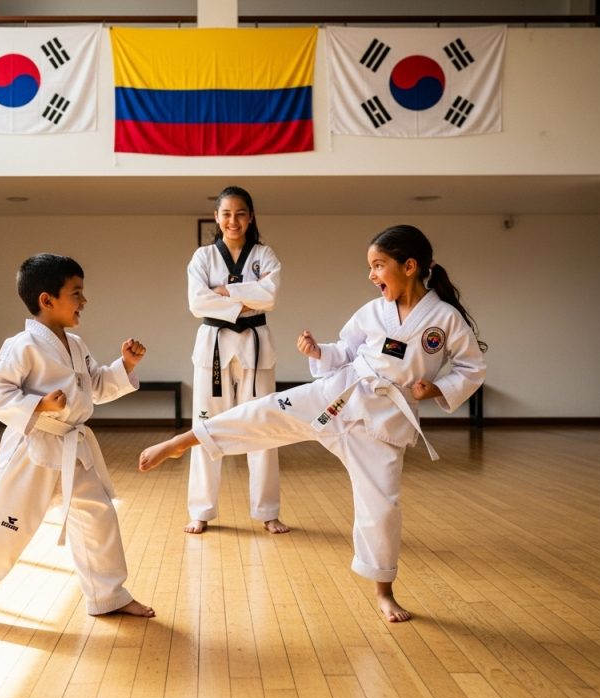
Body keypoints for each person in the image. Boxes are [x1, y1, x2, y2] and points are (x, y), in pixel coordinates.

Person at [140, 225, 486, 622]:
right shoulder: (373, 311)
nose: (372, 275)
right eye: (370, 267)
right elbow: (345, 350)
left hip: (383, 422)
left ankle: (383, 591)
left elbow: (471, 367)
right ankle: (187, 439)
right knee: (266, 411)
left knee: (382, 507)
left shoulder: (444, 319)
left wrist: (435, 389)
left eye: (378, 266)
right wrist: (318, 350)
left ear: (409, 267)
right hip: (339, 396)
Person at [0, 253, 154, 634]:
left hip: (73, 450)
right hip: (32, 450)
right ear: (47, 299)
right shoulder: (22, 345)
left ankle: (108, 596)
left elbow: (96, 387)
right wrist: (37, 405)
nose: (83, 301)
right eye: (76, 293)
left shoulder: (74, 344)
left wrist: (124, 366)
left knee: (98, 517)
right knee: (4, 526)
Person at [184, 186, 288, 535]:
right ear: (217, 217)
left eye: (240, 213)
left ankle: (268, 511)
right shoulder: (202, 257)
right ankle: (201, 510)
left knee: (263, 426)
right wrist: (247, 296)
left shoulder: (265, 254)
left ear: (251, 216)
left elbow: (270, 297)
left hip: (256, 348)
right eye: (226, 214)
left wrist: (225, 292)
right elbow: (198, 304)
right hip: (213, 347)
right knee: (205, 427)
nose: (233, 220)